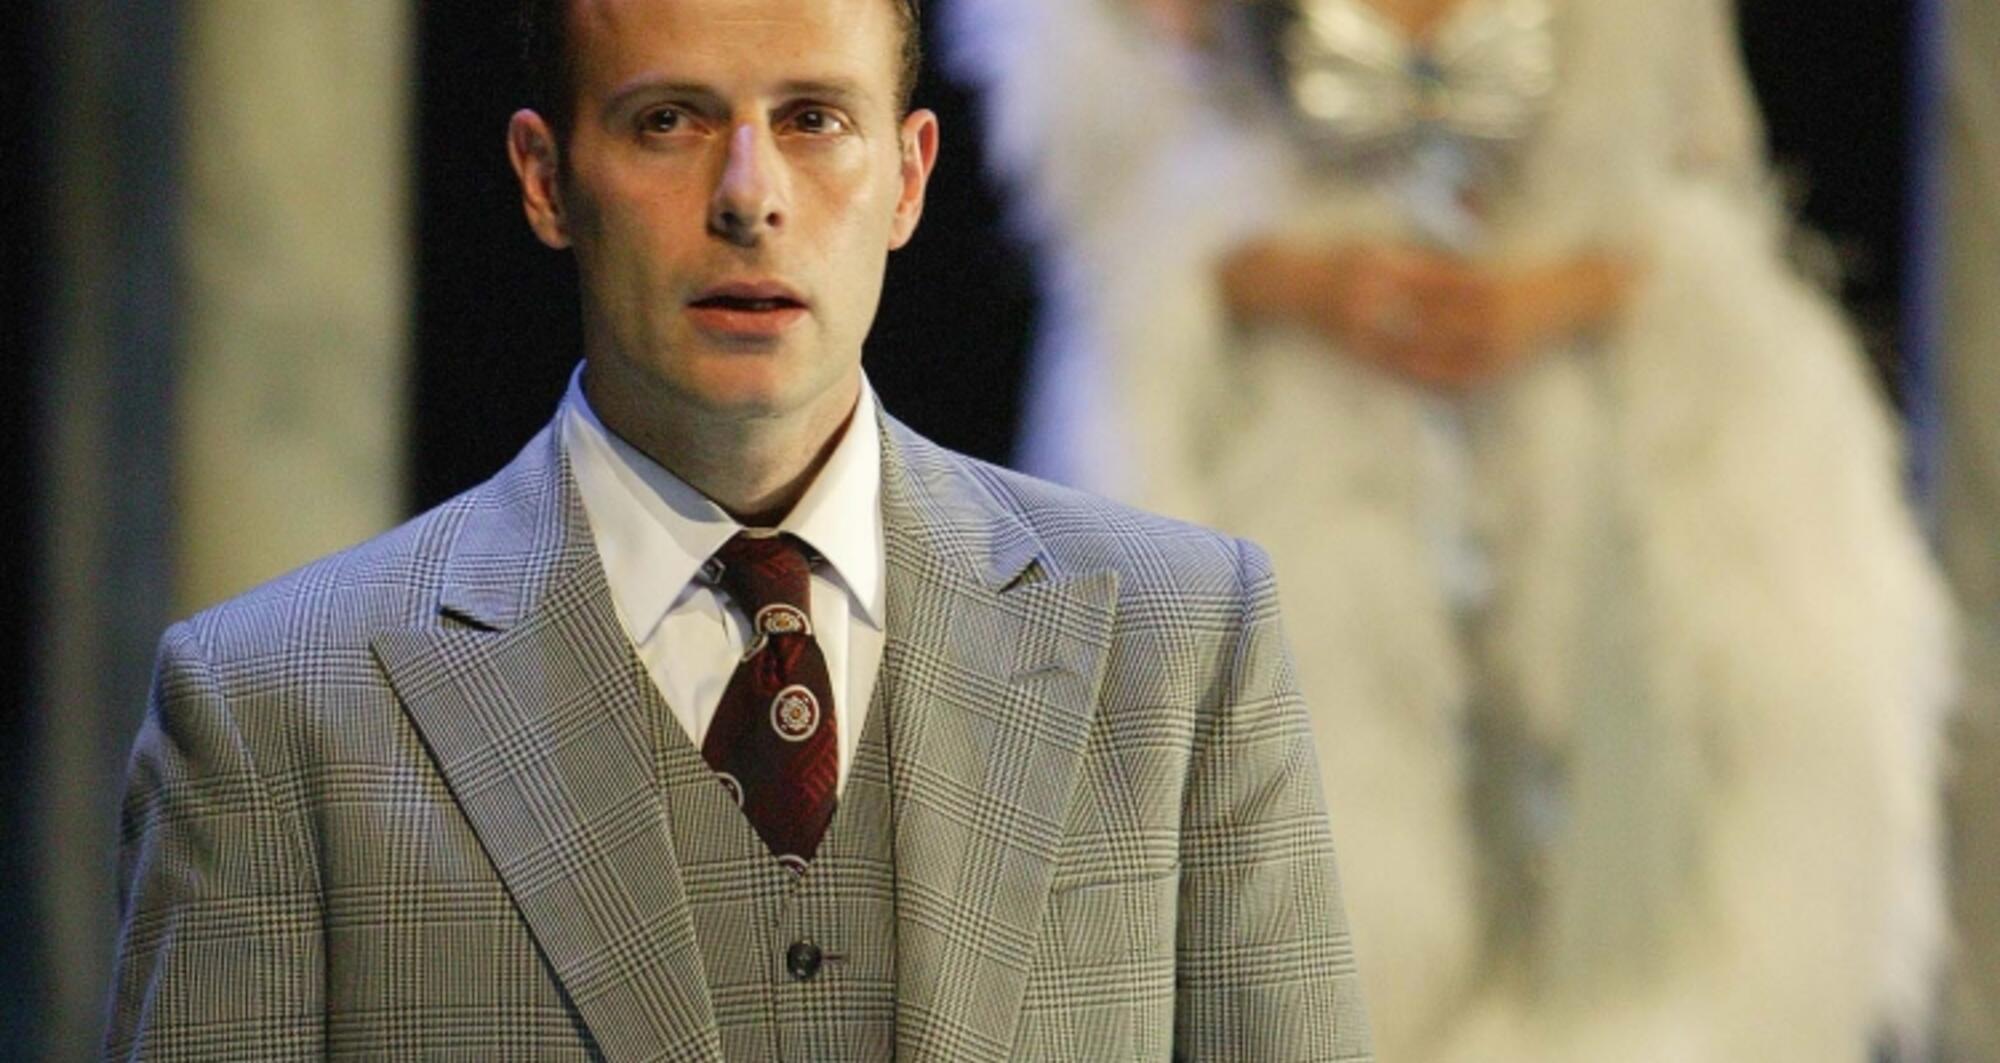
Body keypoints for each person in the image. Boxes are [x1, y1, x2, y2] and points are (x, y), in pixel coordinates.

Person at [102, 0, 1373, 1059]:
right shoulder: (273, 711)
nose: (749, 196)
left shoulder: (1180, 647)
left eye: (813, 119)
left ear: (908, 177)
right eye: (670, 121)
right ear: (545, 180)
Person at [946, 0, 1956, 1060]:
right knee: (1305, 891)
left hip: (1575, 457)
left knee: (1629, 902)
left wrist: (1545, 292)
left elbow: (1706, 181)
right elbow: (1114, 207)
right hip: (1306, 461)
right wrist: (1306, 278)